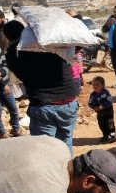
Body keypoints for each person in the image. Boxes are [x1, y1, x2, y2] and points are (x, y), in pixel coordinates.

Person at [5, 20, 79, 153]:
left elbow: (22, 76)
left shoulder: (12, 55)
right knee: (66, 142)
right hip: (69, 101)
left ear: (7, 37)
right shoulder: (49, 45)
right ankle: (67, 171)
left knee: (46, 149)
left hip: (43, 105)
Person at [88, 76, 115, 144]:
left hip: (109, 112)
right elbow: (90, 102)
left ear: (102, 85)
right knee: (102, 125)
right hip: (100, 113)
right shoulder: (93, 95)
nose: (95, 86)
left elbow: (110, 100)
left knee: (110, 124)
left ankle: (112, 136)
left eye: (97, 84)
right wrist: (94, 107)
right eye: (93, 85)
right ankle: (105, 136)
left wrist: (103, 106)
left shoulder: (106, 93)